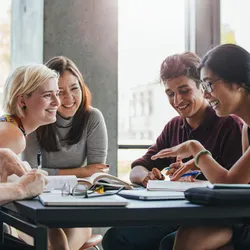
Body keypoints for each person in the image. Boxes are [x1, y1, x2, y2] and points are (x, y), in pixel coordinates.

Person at [102, 52, 243, 250]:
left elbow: (234, 188)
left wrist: (196, 180)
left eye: (184, 91)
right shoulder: (174, 126)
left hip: (219, 218)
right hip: (181, 215)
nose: (177, 100)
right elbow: (138, 168)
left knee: (169, 244)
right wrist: (146, 176)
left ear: (202, 87)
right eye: (170, 93)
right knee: (116, 237)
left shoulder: (230, 124)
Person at [151, 44, 250, 250]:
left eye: (209, 85)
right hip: (240, 218)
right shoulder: (246, 130)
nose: (205, 95)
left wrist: (196, 149)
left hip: (242, 221)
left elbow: (230, 186)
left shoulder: (235, 127)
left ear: (238, 82)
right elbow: (239, 188)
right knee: (183, 237)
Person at [21, 56, 108, 250]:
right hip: (38, 208)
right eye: (59, 92)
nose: (69, 99)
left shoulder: (92, 118)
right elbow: (30, 176)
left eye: (74, 88)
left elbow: (97, 176)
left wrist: (52, 173)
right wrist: (82, 171)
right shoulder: (36, 120)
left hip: (76, 207)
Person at [0, 64, 59, 249]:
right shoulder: (13, 135)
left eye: (57, 93)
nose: (57, 102)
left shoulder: (11, 127)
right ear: (22, 100)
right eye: (48, 95)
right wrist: (22, 189)